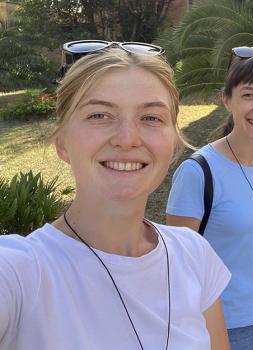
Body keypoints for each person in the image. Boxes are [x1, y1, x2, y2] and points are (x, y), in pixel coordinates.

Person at [0, 43, 231, 350]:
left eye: (151, 118)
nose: (127, 139)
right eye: (100, 115)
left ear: (173, 142)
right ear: (62, 143)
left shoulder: (195, 255)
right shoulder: (21, 273)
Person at [166, 46, 253, 350]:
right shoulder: (198, 172)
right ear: (226, 99)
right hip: (225, 329)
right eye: (248, 95)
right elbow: (176, 268)